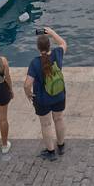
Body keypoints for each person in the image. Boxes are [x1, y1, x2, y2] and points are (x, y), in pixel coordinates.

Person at [24, 26, 67, 161]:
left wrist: (29, 94)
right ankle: (61, 146)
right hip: (59, 95)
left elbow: (27, 84)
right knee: (59, 119)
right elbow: (63, 43)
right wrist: (52, 32)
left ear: (38, 48)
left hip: (42, 99)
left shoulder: (35, 63)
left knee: (46, 124)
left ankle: (51, 152)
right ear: (49, 46)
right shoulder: (57, 54)